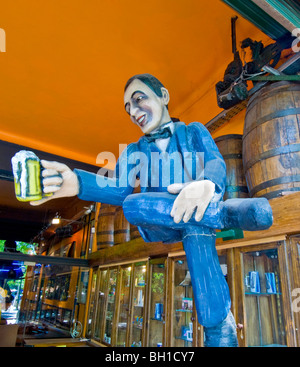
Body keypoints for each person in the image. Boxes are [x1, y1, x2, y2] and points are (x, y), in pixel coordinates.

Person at [30, 73, 272, 346]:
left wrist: (207, 183)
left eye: (138, 99)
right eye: (128, 108)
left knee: (195, 226)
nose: (133, 112)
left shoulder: (193, 131)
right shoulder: (134, 150)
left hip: (195, 217)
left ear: (164, 96)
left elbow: (215, 161)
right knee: (132, 204)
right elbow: (118, 188)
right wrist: (76, 182)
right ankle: (225, 213)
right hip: (157, 221)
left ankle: (218, 328)